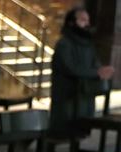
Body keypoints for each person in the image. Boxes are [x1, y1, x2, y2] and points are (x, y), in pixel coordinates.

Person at [48, 7, 114, 139]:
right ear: (72, 22)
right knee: (64, 126)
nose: (87, 24)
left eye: (87, 20)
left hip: (84, 92)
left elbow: (95, 63)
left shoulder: (88, 44)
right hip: (68, 92)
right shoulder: (64, 44)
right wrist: (96, 72)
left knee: (82, 125)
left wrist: (101, 71)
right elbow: (70, 67)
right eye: (83, 20)